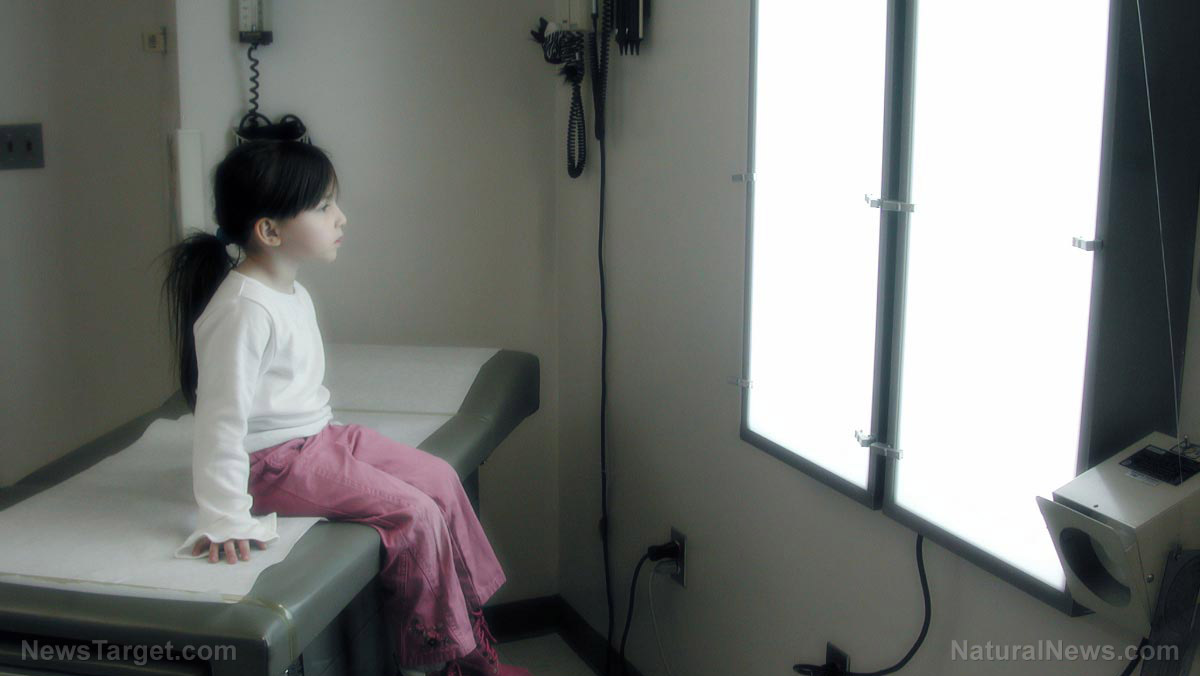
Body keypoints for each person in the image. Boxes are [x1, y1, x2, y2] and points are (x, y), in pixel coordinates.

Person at [158, 139, 531, 676]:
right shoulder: (242, 310)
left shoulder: (290, 292)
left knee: (441, 479)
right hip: (273, 464)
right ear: (270, 231)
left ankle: (472, 636)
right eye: (323, 206)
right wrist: (224, 517)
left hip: (321, 438)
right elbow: (220, 422)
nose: (341, 218)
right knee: (415, 513)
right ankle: (449, 659)